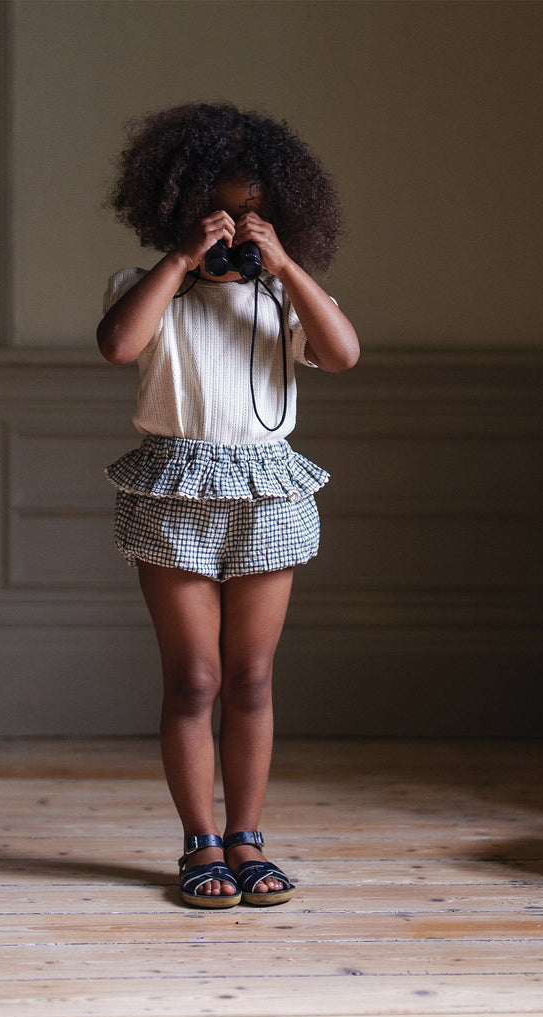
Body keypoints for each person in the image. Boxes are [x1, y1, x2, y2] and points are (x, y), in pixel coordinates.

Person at [97, 102, 359, 909]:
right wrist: (180, 261)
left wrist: (285, 268)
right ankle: (198, 842)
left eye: (253, 214)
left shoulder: (283, 298)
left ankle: (246, 840)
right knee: (196, 677)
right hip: (172, 488)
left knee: (250, 677)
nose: (235, 228)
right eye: (218, 213)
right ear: (179, 210)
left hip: (267, 490)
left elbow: (343, 354)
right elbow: (119, 346)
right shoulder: (146, 287)